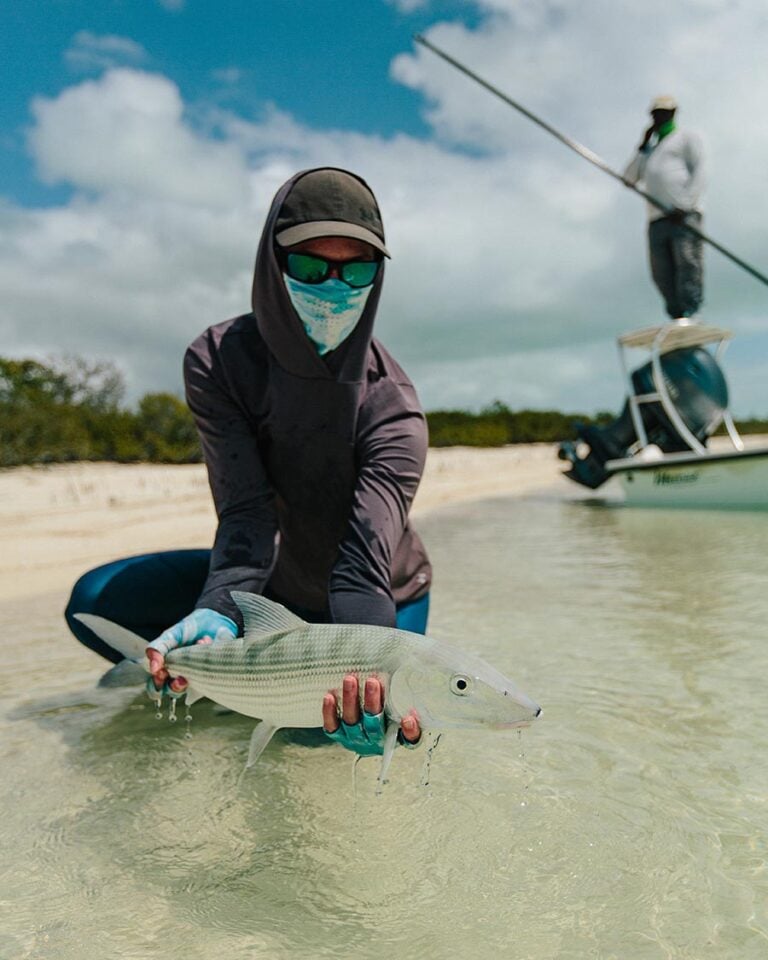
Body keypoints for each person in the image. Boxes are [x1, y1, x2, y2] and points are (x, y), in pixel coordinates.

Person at [65, 167, 433, 755]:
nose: (335, 287)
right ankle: (215, 683)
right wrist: (217, 609)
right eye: (312, 267)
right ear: (271, 262)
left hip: (378, 590)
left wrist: (372, 683)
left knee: (319, 735)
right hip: (273, 581)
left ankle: (259, 696)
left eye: (356, 268)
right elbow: (245, 511)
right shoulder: (218, 360)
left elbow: (362, 564)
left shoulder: (395, 411)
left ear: (378, 275)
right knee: (97, 598)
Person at [623, 95, 706, 320]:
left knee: (687, 262)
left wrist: (686, 204)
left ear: (673, 113)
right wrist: (642, 146)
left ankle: (691, 311)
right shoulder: (649, 150)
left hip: (683, 214)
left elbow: (700, 171)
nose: (659, 117)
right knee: (661, 272)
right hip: (656, 218)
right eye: (655, 114)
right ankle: (676, 314)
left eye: (664, 113)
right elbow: (629, 178)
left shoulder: (686, 138)